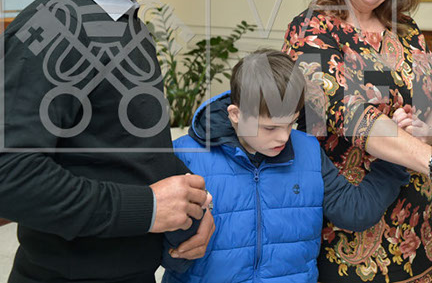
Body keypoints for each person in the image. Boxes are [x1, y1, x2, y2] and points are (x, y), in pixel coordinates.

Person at [0, 0, 214, 283]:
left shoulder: (126, 24)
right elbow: (11, 178)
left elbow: (120, 150)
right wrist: (147, 208)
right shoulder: (49, 28)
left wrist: (192, 208)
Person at [283, 0, 432, 283]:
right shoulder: (313, 30)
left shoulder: (407, 31)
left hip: (417, 230)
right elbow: (352, 116)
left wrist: (428, 132)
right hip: (348, 233)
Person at [162, 49, 410, 282]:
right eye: (270, 127)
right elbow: (160, 250)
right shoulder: (186, 155)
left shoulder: (308, 151)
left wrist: (397, 157)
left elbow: (354, 211)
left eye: (291, 123)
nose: (283, 137)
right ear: (236, 115)